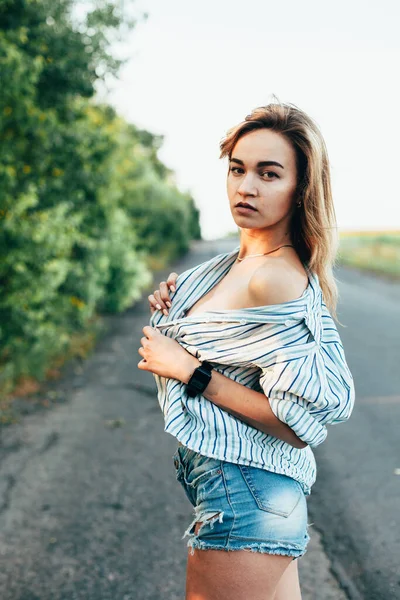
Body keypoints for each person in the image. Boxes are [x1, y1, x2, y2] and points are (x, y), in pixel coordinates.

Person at [137, 100, 355, 600]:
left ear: (300, 189)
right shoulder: (233, 266)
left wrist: (192, 370)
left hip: (246, 492)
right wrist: (176, 307)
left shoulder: (274, 278)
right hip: (251, 492)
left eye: (269, 173)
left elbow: (297, 426)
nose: (246, 186)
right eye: (237, 169)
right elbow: (222, 335)